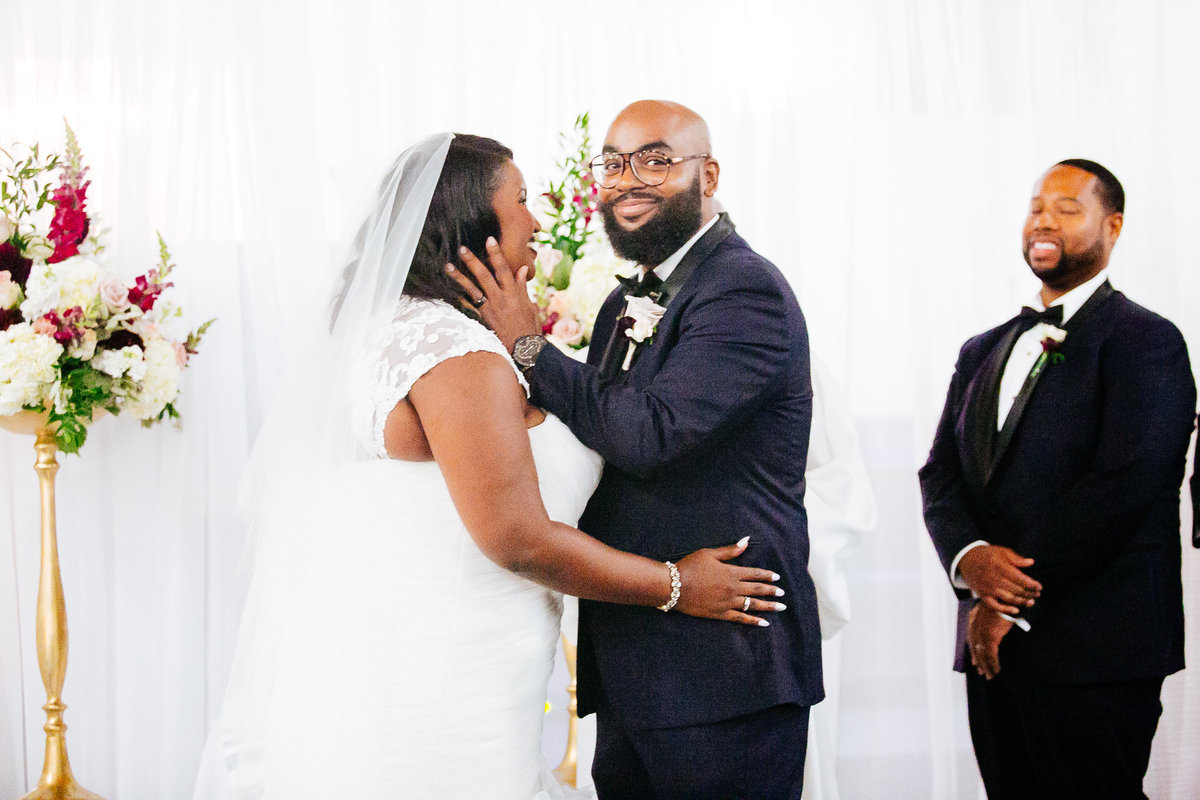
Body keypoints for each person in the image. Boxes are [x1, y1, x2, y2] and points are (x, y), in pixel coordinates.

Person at [192, 133, 787, 800]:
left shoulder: (398, 327)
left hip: (441, 660)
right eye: (522, 202)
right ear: (474, 226)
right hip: (453, 672)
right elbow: (516, 538)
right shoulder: (455, 353)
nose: (537, 220)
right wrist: (677, 584)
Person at [449, 100, 823, 799]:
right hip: (637, 665)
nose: (627, 180)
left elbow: (650, 435)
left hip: (721, 672)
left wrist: (528, 343)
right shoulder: (629, 302)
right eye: (614, 163)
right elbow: (599, 434)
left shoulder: (744, 290)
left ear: (708, 175)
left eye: (655, 158)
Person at [919, 159, 1196, 799]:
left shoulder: (1146, 340)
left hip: (1098, 645)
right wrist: (971, 559)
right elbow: (940, 476)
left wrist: (1006, 600)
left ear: (1113, 226)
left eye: (1067, 207)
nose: (1044, 218)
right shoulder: (980, 348)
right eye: (1036, 206)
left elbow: (1126, 487)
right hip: (990, 650)